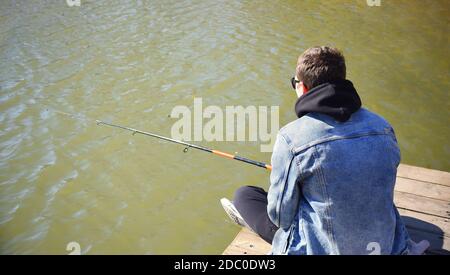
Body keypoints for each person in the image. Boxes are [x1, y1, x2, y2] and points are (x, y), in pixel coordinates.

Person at [221, 46, 429, 255]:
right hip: (385, 246)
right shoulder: (383, 127)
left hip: (327, 249)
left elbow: (281, 217)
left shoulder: (291, 138)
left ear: (302, 87)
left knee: (245, 195)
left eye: (294, 83)